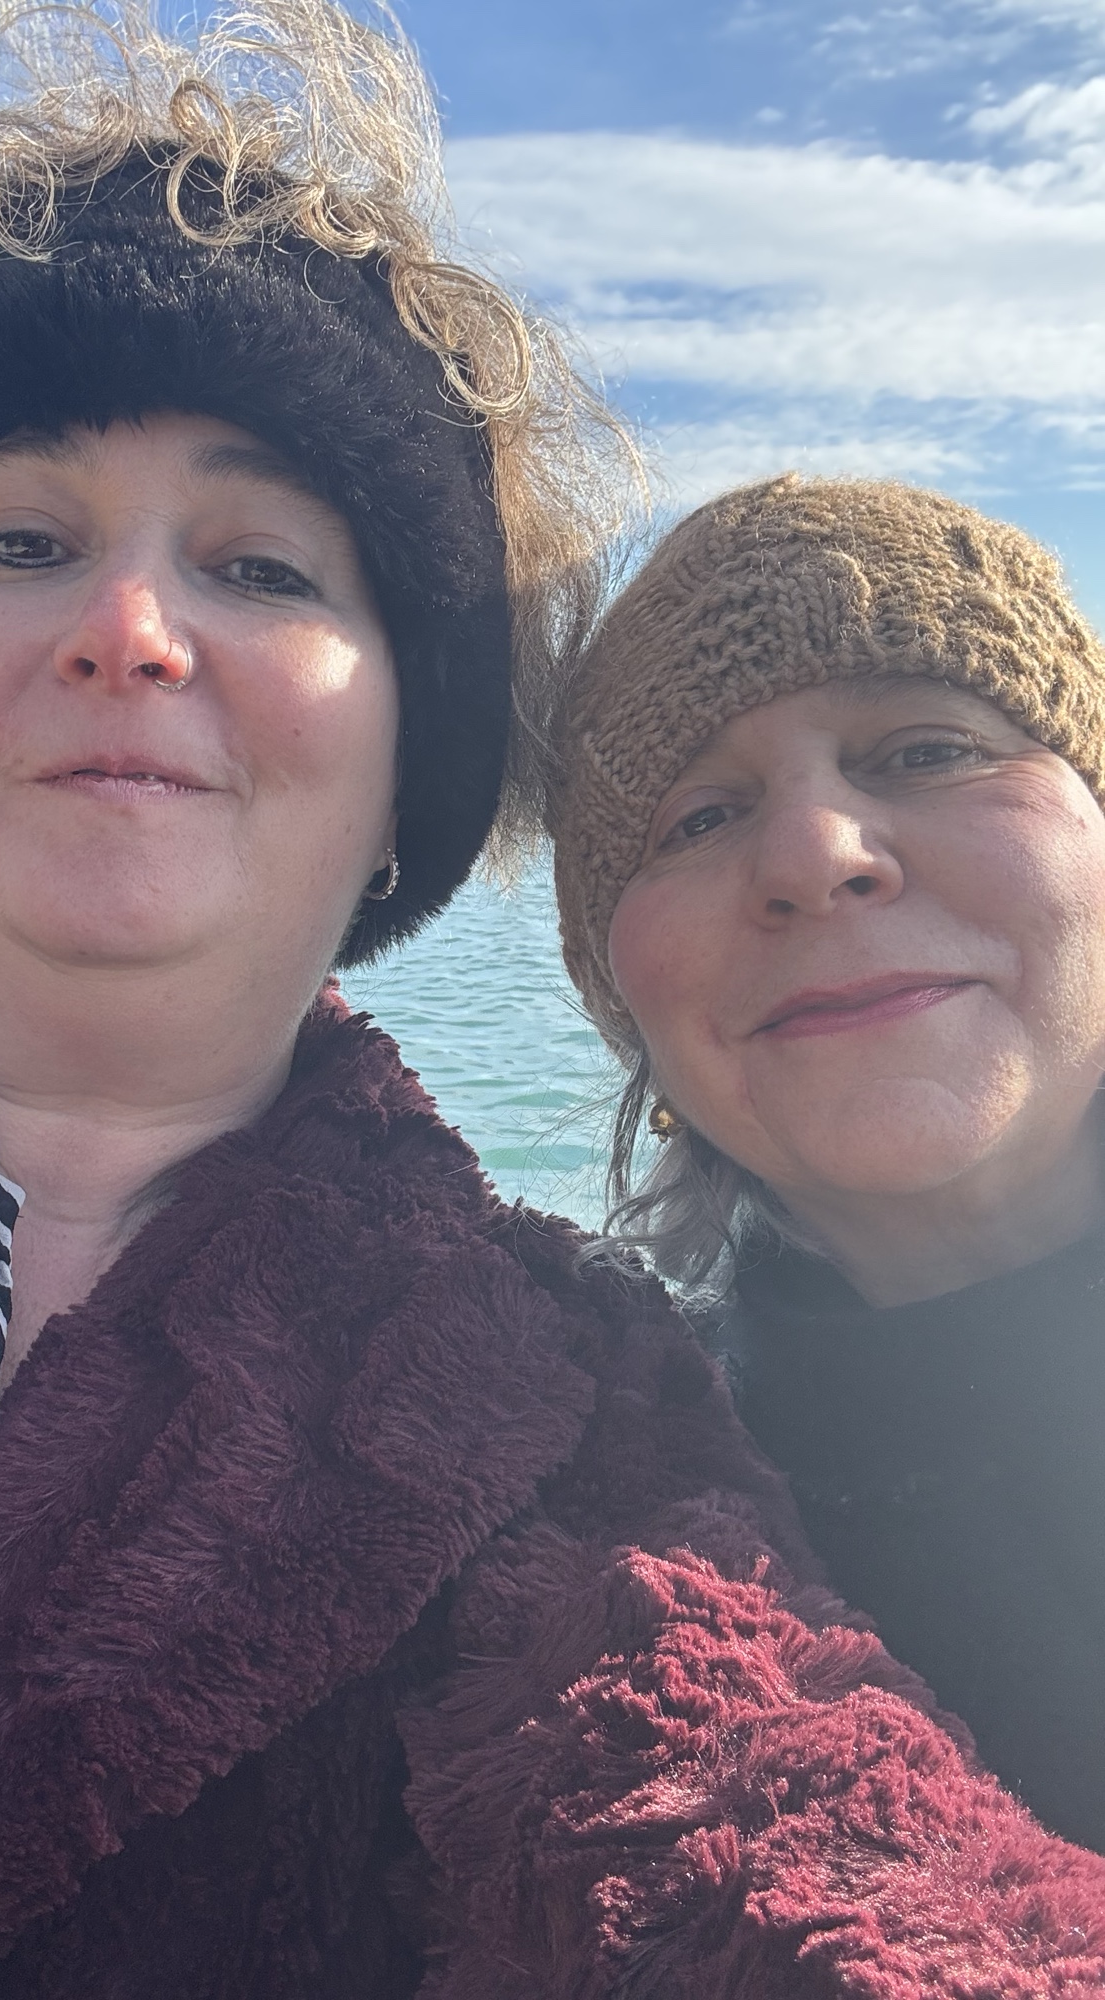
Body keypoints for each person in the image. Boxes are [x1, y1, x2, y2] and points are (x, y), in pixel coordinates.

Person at [0, 9, 1105, 1989]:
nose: (129, 628)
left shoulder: (559, 1409)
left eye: (263, 569)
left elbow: (783, 1830)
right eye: (23, 541)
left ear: (412, 775)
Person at [552, 471, 1105, 1855]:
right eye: (698, 819)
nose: (815, 854)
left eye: (925, 750)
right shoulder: (600, 1513)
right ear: (626, 1003)